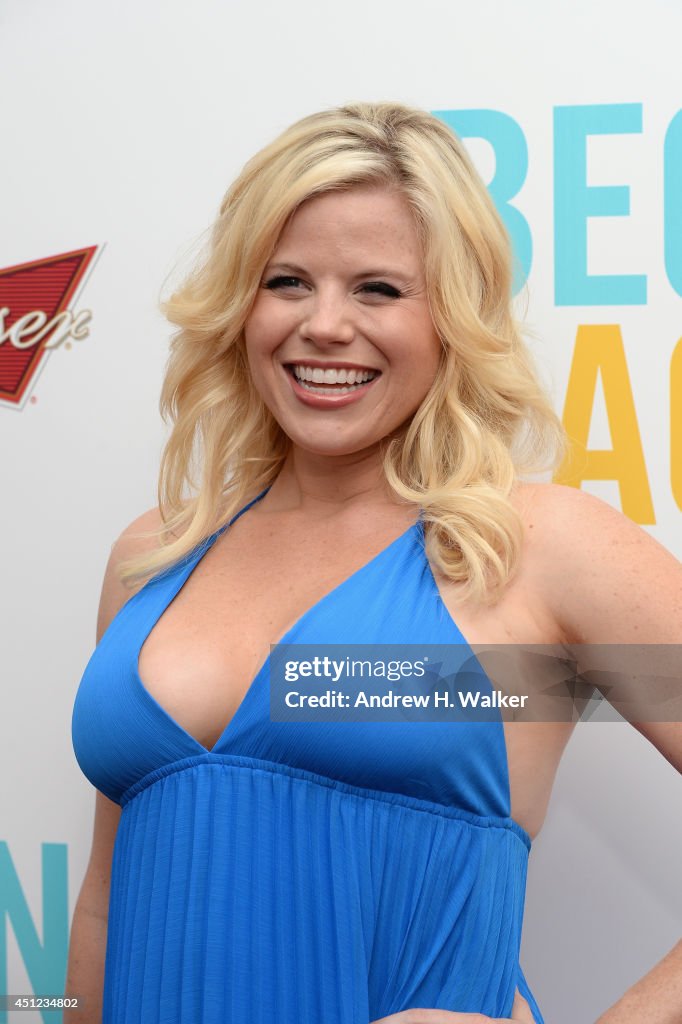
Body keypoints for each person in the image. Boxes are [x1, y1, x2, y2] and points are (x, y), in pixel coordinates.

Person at [66, 101, 682, 1023]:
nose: (323, 325)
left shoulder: (535, 549)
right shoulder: (152, 557)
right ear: (241, 304)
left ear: (454, 318)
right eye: (286, 282)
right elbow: (105, 905)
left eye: (378, 290)